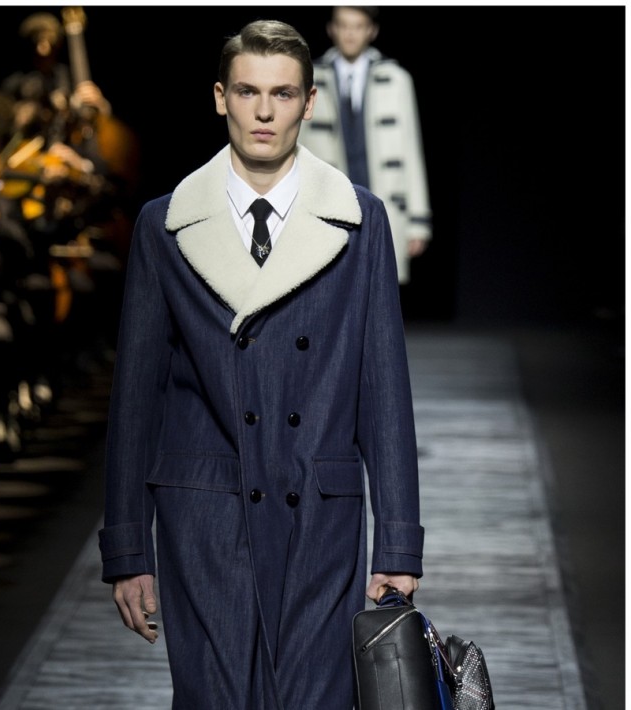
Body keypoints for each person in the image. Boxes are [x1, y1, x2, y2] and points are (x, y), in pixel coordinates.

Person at [99, 19, 423, 710]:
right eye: (248, 92)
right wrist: (127, 551)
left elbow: (383, 390)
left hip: (319, 514)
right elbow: (136, 400)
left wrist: (398, 545)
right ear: (221, 97)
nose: (264, 112)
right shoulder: (166, 226)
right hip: (204, 517)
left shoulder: (359, 222)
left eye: (282, 94)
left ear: (309, 102)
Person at [298, 6, 432, 285]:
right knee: (332, 283)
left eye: (358, 26)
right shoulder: (311, 78)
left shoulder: (396, 79)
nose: (350, 34)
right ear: (331, 29)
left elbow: (410, 149)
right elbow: (298, 145)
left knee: (379, 285)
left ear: (372, 30)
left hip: (381, 198)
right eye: (344, 25)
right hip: (330, 200)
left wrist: (417, 220)